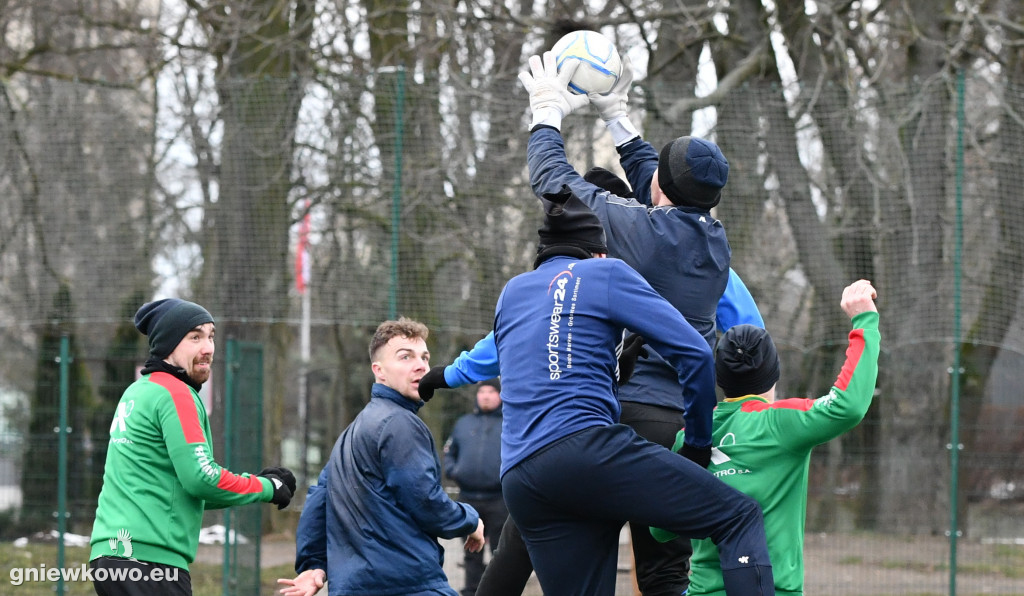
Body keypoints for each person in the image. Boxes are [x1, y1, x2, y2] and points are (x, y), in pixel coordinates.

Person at [434, 185, 774, 595]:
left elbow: (537, 364)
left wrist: (613, 371)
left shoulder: (513, 292)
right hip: (588, 450)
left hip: (522, 477)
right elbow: (695, 354)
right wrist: (698, 445)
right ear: (598, 251)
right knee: (738, 516)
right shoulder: (606, 272)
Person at [519, 52, 760, 594]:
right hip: (678, 421)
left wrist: (547, 115)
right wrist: (616, 117)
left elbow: (554, 181)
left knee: (538, 547)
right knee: (665, 573)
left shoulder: (637, 231)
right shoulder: (712, 240)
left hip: (622, 415)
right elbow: (661, 181)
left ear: (662, 194)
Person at [652, 279, 881, 596]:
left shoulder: (690, 435)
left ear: (721, 376)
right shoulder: (784, 422)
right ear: (774, 372)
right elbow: (849, 405)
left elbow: (660, 530)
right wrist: (864, 320)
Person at [89, 298, 296, 596]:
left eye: (211, 336)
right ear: (168, 344)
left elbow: (180, 490)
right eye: (195, 337)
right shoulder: (176, 393)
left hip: (112, 555)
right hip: (151, 561)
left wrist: (256, 486)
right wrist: (267, 487)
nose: (209, 347)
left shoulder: (138, 391)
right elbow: (201, 479)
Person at [279, 317, 485, 596]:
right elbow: (425, 501)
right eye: (405, 356)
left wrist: (313, 565)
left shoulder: (351, 433)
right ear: (379, 371)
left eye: (424, 357)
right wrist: (470, 519)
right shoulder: (399, 424)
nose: (421, 365)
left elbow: (319, 500)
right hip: (406, 584)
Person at [442, 379, 507, 596]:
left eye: (491, 391)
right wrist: (454, 471)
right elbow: (449, 453)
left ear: (499, 395)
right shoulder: (463, 423)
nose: (486, 396)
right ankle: (472, 591)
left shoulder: (510, 422)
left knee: (503, 552)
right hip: (468, 499)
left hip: (501, 499)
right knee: (471, 551)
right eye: (482, 392)